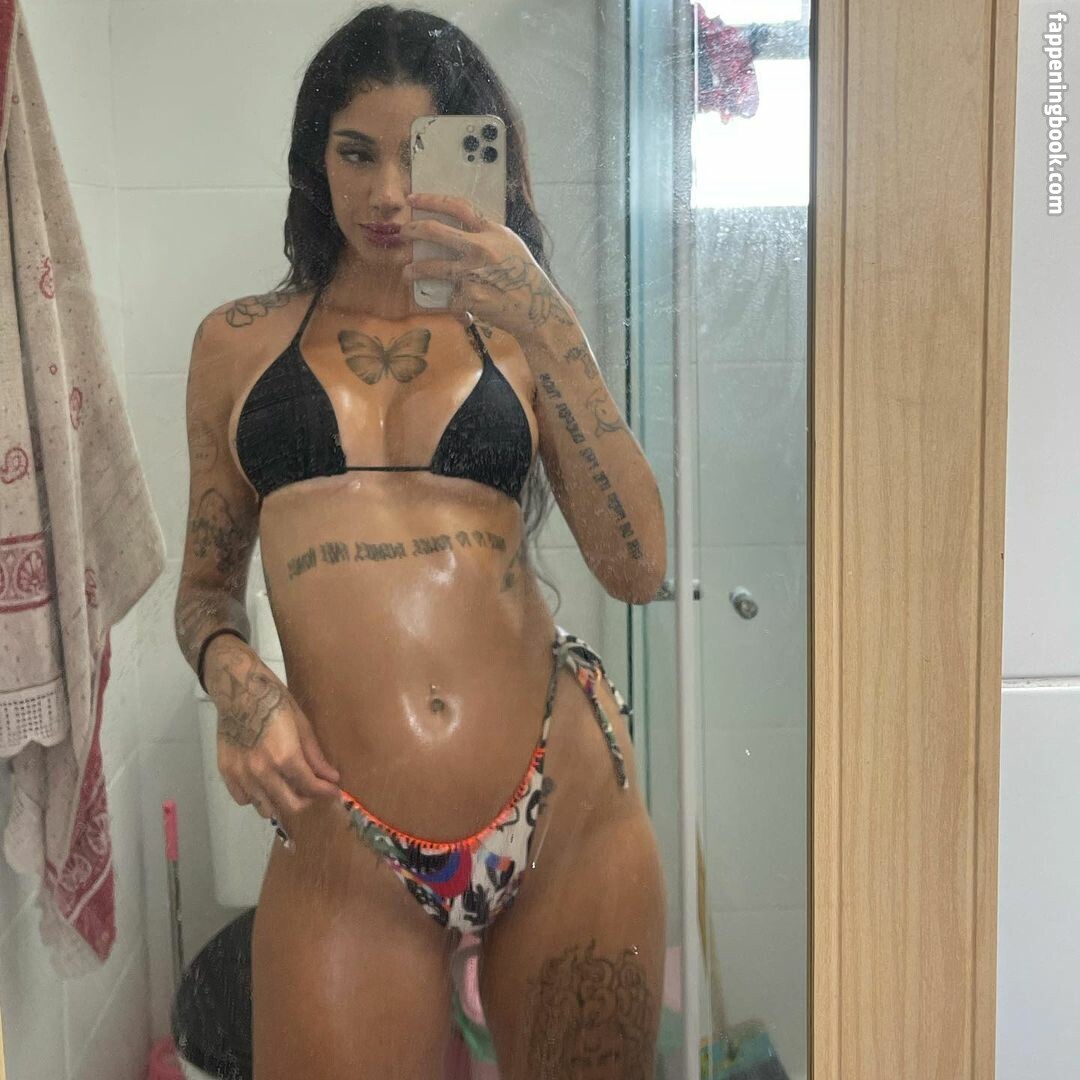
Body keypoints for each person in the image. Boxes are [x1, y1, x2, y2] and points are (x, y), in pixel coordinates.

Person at [173, 5, 668, 1077]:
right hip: (345, 836)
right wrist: (236, 681)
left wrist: (547, 319)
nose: (389, 193)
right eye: (357, 153)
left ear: (480, 159)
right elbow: (204, 590)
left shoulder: (522, 333)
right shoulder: (237, 344)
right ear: (315, 160)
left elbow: (638, 567)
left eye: (421, 154)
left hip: (565, 798)